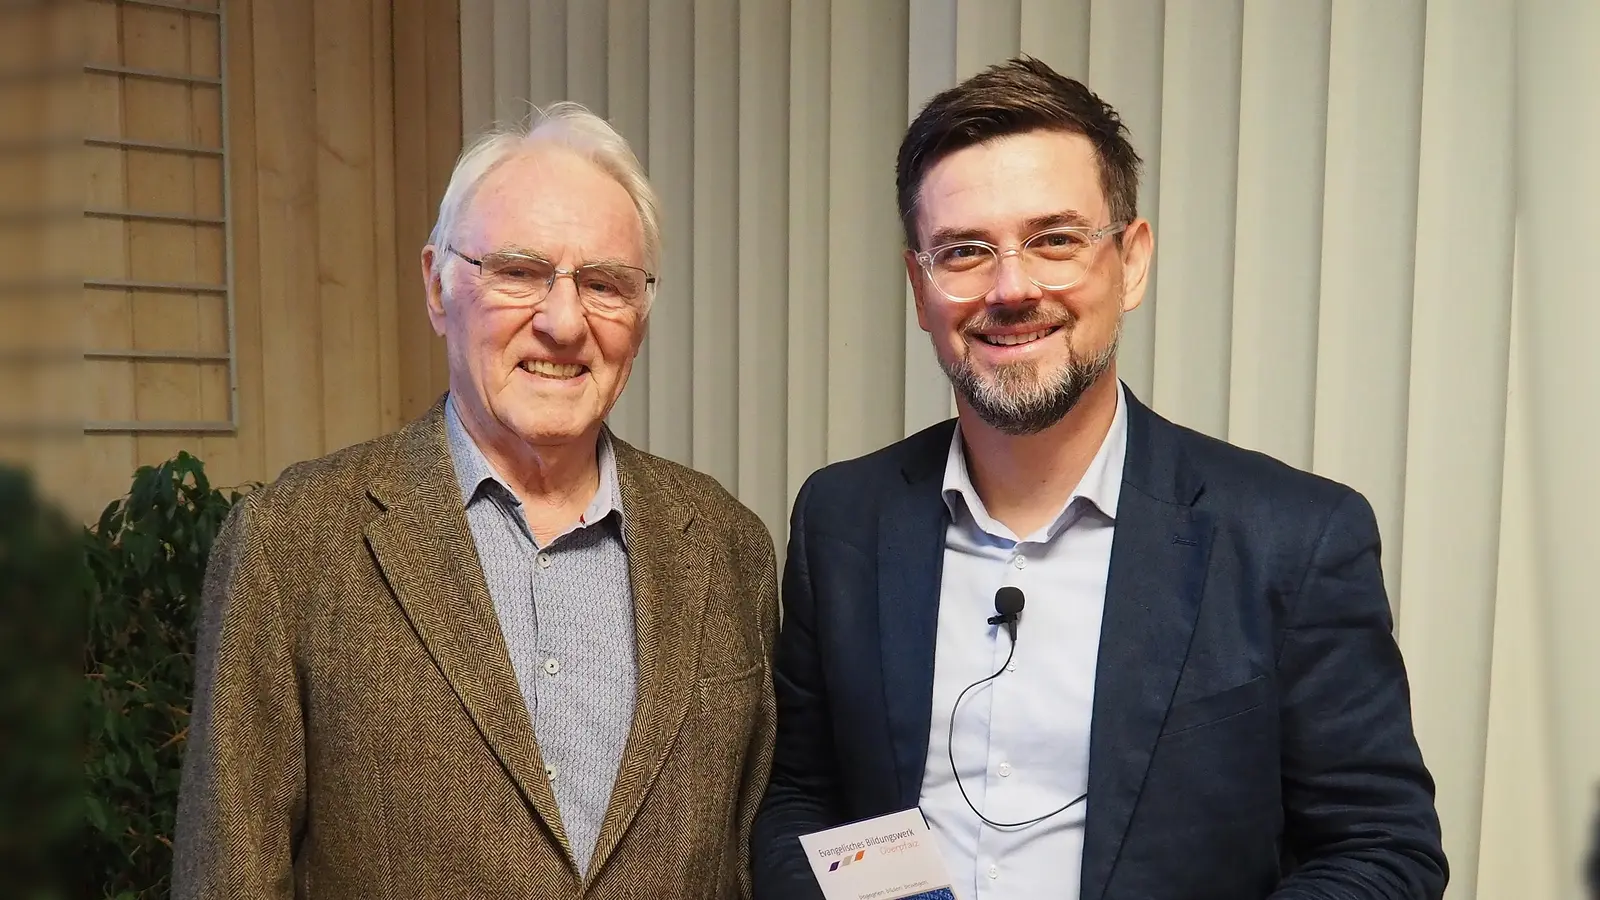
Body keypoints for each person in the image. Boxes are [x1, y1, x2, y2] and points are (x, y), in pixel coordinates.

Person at [752, 57, 1447, 900]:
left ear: (1133, 262)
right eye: (964, 252)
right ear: (919, 286)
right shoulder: (843, 521)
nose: (1011, 289)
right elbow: (801, 800)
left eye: (1055, 240)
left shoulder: (1293, 540)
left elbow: (1383, 851)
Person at [173, 103, 778, 899]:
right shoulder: (293, 544)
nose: (564, 322)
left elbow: (746, 854)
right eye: (520, 272)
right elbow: (230, 878)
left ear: (640, 314)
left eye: (604, 284)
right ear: (437, 287)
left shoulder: (728, 545)